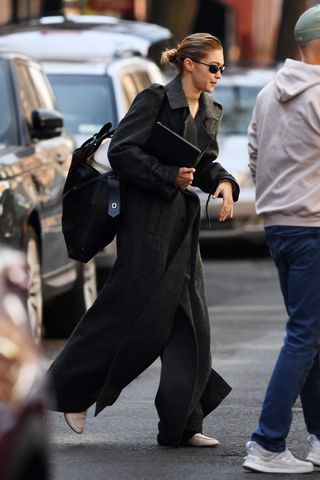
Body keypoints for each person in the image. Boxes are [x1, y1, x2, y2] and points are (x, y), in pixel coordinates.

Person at [48, 32, 240, 448]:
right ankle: (71, 393)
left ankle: (183, 424)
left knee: (191, 323)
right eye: (214, 67)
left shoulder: (209, 108)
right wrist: (167, 175)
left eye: (222, 68)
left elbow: (204, 161)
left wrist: (222, 182)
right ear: (188, 64)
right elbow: (122, 152)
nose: (219, 75)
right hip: (145, 226)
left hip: (182, 230)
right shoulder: (154, 99)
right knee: (124, 311)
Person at [243, 5, 320, 474]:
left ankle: (318, 438)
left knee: (311, 335)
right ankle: (267, 443)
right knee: (305, 335)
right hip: (313, 226)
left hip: (280, 226)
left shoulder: (269, 93)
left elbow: (254, 154)